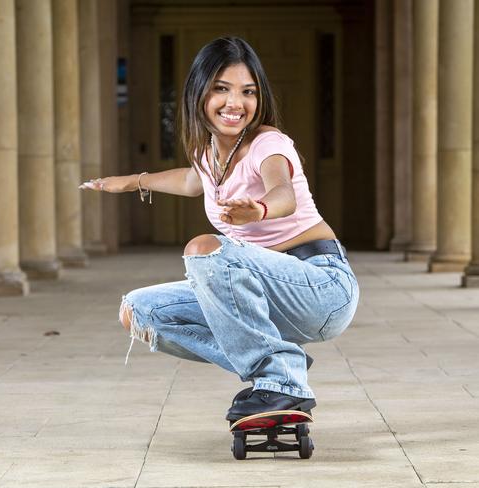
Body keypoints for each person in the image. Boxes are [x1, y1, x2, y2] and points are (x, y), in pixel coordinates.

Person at [80, 37, 359, 422]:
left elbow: (283, 193)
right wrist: (130, 181)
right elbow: (191, 181)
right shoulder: (208, 153)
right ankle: (279, 365)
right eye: (221, 89)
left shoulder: (268, 143)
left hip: (320, 287)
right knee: (138, 312)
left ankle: (281, 377)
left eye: (248, 92)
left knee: (205, 249)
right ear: (199, 93)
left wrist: (259, 209)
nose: (235, 103)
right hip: (259, 293)